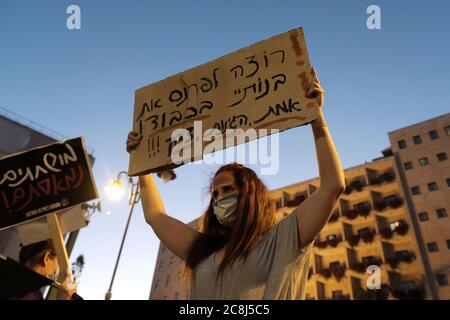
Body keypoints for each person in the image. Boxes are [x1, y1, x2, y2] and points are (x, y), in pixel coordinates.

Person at [126, 67, 346, 299]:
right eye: (216, 194)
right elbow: (155, 216)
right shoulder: (202, 250)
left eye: (228, 189)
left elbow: (333, 186)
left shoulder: (283, 239)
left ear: (251, 195)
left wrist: (316, 118)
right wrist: (141, 162)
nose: (220, 198)